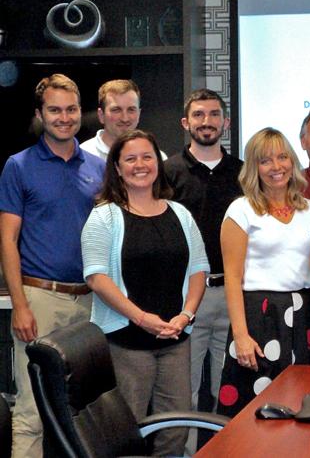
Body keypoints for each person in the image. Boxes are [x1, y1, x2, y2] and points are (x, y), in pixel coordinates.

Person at [81, 130, 208, 455]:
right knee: (127, 432)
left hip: (175, 340)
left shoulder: (179, 214)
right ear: (118, 168)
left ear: (158, 163)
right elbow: (96, 277)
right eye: (131, 159)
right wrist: (141, 318)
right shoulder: (104, 216)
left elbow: (198, 270)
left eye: (147, 157)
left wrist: (186, 314)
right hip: (127, 343)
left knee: (175, 430)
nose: (141, 165)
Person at [0, 74, 104, 458]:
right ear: (41, 115)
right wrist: (20, 305)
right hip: (39, 299)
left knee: (84, 409)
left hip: (91, 303)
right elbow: (7, 241)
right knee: (32, 409)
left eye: (71, 109)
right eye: (55, 110)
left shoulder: (97, 168)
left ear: (82, 112)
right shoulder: (19, 166)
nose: (64, 117)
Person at [216, 128, 310, 416]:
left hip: (305, 317)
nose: (276, 167)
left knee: (304, 402)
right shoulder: (241, 211)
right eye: (265, 161)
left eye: (282, 157)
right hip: (259, 317)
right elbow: (232, 278)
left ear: (292, 161)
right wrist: (241, 335)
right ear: (254, 168)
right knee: (259, 407)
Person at [164, 89, 243, 420]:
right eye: (198, 115)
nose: (206, 121)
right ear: (186, 123)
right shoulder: (168, 172)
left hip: (234, 293)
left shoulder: (243, 172)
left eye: (213, 115)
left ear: (225, 122)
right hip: (186, 297)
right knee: (187, 392)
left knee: (230, 389)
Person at [80, 79, 167, 161]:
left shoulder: (157, 158)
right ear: (101, 115)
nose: (125, 118)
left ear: (139, 114)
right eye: (116, 110)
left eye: (131, 110)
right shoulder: (82, 156)